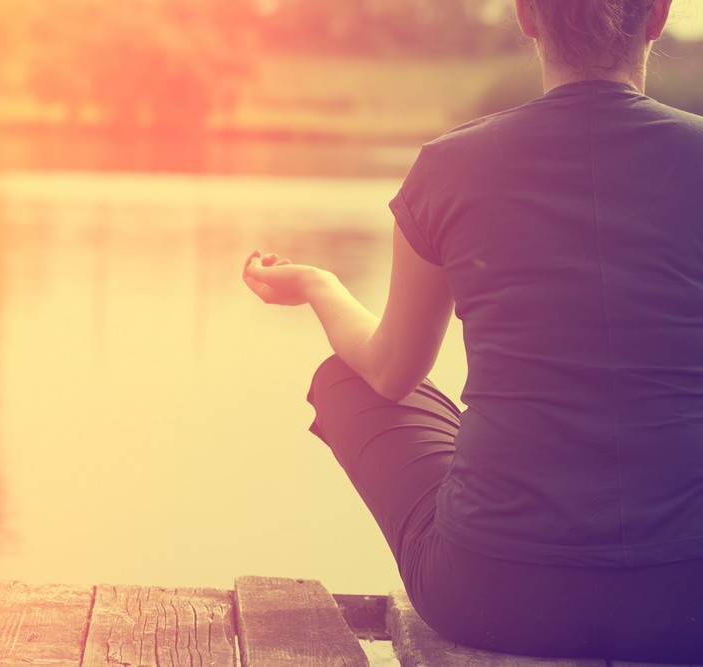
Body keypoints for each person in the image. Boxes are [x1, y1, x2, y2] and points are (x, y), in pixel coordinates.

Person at [243, 0, 703, 661]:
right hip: (687, 600)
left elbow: (391, 370)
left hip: (494, 594)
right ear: (657, 16)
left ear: (526, 16)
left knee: (351, 378)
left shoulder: (449, 165)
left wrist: (319, 285)